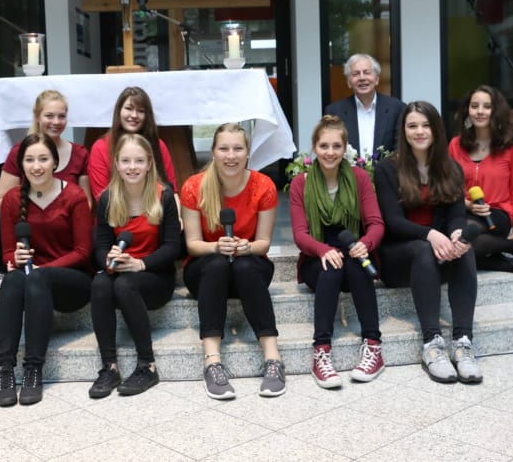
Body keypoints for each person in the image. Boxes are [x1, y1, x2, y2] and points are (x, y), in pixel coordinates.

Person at [374, 102, 482, 384]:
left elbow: (458, 214)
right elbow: (392, 222)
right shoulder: (387, 169)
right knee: (423, 248)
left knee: (465, 250)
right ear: (404, 131)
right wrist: (430, 234)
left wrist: (457, 234)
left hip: (438, 256)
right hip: (399, 259)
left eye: (425, 125)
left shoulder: (451, 168)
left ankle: (462, 341)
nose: (419, 131)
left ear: (436, 129)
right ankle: (432, 344)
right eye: (412, 126)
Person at [181, 123, 285, 400]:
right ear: (213, 152)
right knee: (216, 262)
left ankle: (273, 358)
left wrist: (245, 246)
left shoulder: (263, 186)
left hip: (247, 268)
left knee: (244, 264)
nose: (231, 155)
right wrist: (216, 245)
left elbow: (264, 243)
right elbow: (192, 244)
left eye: (238, 148)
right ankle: (212, 362)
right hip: (205, 270)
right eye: (224, 148)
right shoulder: (195, 186)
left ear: (248, 152)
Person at [0, 133, 93, 407]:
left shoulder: (74, 196)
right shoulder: (13, 199)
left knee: (33, 278)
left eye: (43, 159)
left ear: (55, 163)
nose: (36, 166)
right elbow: (5, 254)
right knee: (11, 281)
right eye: (29, 160)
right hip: (30, 282)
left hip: (72, 284)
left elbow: (83, 252)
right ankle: (4, 370)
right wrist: (15, 256)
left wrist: (41, 269)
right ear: (21, 165)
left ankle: (33, 369)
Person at [290, 115, 386, 389]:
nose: (330, 152)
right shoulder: (302, 183)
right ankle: (321, 352)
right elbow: (300, 235)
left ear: (345, 149)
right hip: (315, 257)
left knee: (356, 267)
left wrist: (364, 244)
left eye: (336, 146)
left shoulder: (359, 178)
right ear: (314, 148)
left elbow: (376, 224)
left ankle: (373, 347)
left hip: (353, 250)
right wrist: (323, 250)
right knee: (330, 268)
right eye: (324, 146)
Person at [89, 134, 181, 398]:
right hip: (120, 271)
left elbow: (173, 247)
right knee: (99, 283)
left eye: (139, 161)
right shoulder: (107, 198)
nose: (132, 167)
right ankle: (109, 367)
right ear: (116, 164)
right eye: (126, 160)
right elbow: (101, 246)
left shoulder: (164, 196)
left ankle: (147, 365)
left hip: (154, 275)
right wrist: (109, 259)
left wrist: (140, 263)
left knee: (126, 284)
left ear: (150, 163)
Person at [0, 89, 91, 300]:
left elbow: (86, 202)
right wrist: (34, 211)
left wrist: (59, 210)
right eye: (49, 116)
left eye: (61, 116)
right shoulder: (20, 151)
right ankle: (0, 273)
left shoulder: (79, 153)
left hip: (63, 226)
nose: (56, 121)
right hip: (28, 227)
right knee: (9, 217)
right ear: (37, 117)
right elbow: (1, 199)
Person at [448, 84, 513, 274]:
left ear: (496, 110)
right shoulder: (456, 145)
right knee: (455, 242)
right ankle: (506, 251)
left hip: (498, 213)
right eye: (474, 106)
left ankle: (505, 245)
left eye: (486, 106)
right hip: (465, 210)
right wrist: (468, 205)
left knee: (461, 238)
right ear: (467, 110)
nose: (480, 111)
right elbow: (450, 187)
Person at [88, 86, 178, 201]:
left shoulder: (158, 145)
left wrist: (177, 217)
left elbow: (172, 190)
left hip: (156, 211)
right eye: (129, 108)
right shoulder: (101, 147)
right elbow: (101, 197)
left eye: (140, 111)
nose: (134, 115)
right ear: (119, 111)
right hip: (115, 213)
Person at [323, 53, 405, 157]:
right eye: (356, 74)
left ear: (377, 79)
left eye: (367, 72)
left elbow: (401, 148)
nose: (362, 78)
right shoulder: (334, 111)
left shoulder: (397, 108)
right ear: (349, 82)